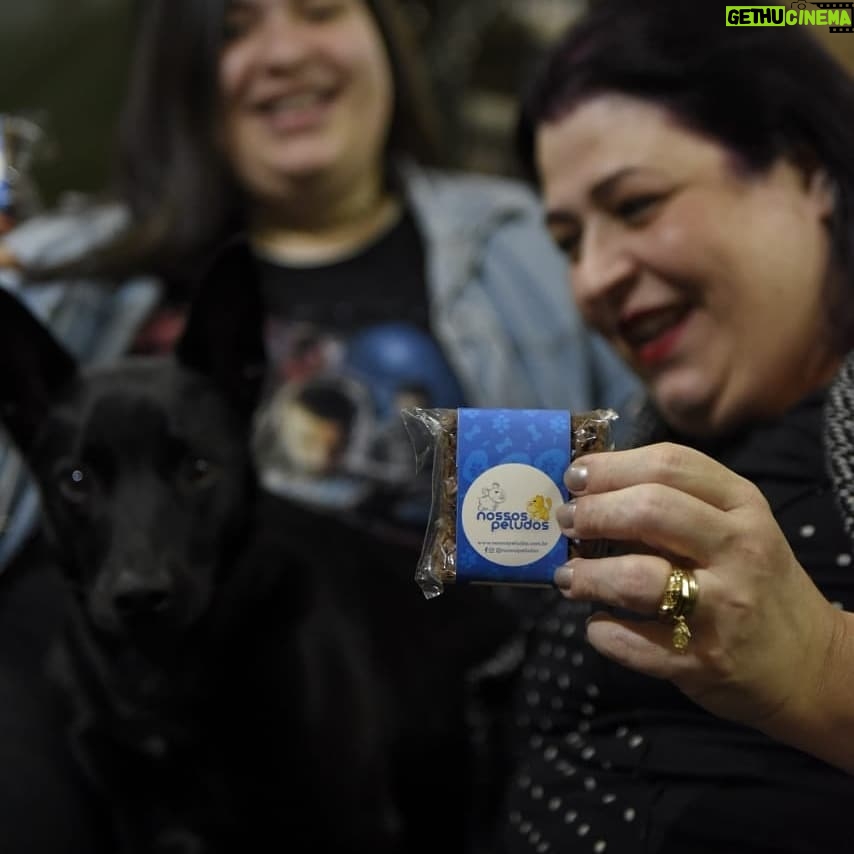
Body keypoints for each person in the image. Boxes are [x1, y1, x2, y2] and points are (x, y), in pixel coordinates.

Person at [0, 1, 641, 851]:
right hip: (105, 728)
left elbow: (652, 475)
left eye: (319, 10)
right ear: (185, 68)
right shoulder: (67, 267)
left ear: (386, 37)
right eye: (235, 29)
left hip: (427, 723)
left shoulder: (536, 241)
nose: (283, 52)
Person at [491, 1, 854, 852]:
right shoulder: (629, 447)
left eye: (637, 204)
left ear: (807, 174)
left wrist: (819, 663)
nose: (592, 278)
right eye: (568, 239)